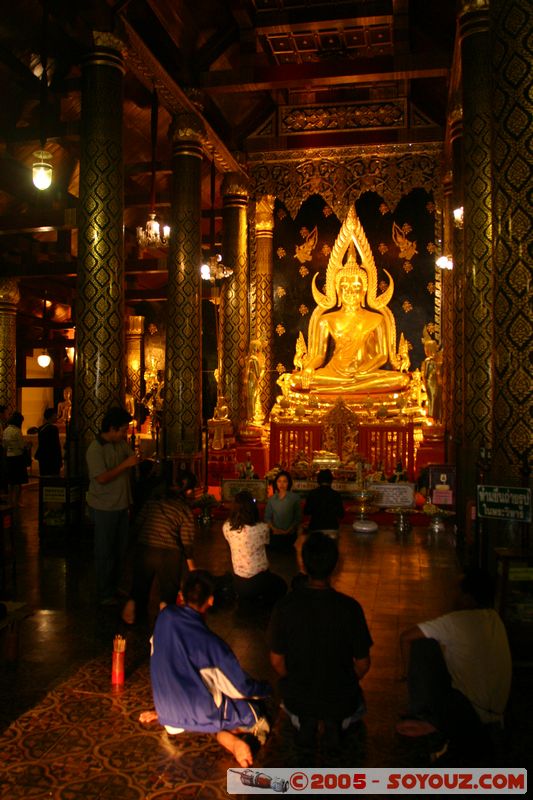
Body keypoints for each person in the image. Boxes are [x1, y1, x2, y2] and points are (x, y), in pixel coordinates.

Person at [139, 570, 271, 767]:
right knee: (256, 713)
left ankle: (210, 728)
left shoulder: (164, 617)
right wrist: (265, 690)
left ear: (181, 596)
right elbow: (239, 688)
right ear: (210, 600)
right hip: (199, 712)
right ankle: (236, 741)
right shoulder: (212, 645)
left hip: (167, 713)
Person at [269, 532, 373, 752]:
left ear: (303, 565)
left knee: (293, 700)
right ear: (335, 566)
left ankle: (304, 719)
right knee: (354, 703)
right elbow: (363, 664)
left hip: (298, 696)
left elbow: (277, 661)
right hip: (341, 697)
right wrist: (343, 680)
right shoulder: (350, 608)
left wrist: (299, 679)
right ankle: (335, 721)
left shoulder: (285, 606)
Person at [291, 206, 409, 395]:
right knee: (295, 380)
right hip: (333, 373)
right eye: (345, 286)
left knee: (400, 380)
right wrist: (309, 369)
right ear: (336, 289)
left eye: (356, 287)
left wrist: (360, 370)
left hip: (365, 375)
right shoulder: (326, 320)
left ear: (364, 290)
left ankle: (343, 390)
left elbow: (382, 355)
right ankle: (346, 389)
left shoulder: (377, 319)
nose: (350, 291)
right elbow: (319, 356)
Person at [397, 567, 512, 761]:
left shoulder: (455, 621)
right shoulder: (496, 619)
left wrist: (407, 676)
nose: (453, 596)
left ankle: (423, 714)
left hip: (466, 712)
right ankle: (437, 722)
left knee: (422, 645)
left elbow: (406, 637)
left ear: (468, 598)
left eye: (457, 591)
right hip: (497, 715)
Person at [121, 481, 196, 625]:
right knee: (168, 591)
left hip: (146, 549)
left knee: (139, 587)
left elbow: (137, 525)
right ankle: (164, 621)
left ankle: (133, 611)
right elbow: (187, 539)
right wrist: (191, 565)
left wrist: (128, 549)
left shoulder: (152, 503)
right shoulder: (183, 508)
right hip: (169, 553)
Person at [85, 406, 139, 605]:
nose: (125, 433)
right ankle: (104, 592)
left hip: (121, 504)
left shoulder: (119, 444)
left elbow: (131, 456)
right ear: (112, 428)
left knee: (120, 549)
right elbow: (101, 478)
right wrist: (125, 465)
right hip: (104, 506)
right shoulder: (95, 449)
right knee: (105, 550)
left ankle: (114, 586)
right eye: (123, 430)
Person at [223, 491, 287, 606]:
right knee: (282, 586)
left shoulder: (226, 527)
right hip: (260, 581)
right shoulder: (262, 528)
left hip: (239, 584)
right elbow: (267, 543)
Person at [264, 470, 302, 550]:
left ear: (289, 483)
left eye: (285, 481)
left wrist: (288, 530)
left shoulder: (295, 498)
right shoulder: (272, 499)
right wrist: (275, 530)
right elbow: (267, 517)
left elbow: (297, 518)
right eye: (279, 481)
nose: (281, 484)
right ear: (276, 483)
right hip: (275, 535)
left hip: (290, 535)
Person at [303, 469, 344, 538]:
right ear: (331, 480)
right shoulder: (336, 495)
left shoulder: (312, 493)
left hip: (315, 528)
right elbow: (341, 514)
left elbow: (306, 511)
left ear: (318, 480)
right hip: (332, 528)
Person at [2, 411, 29, 508]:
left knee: (10, 481)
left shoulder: (6, 430)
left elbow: (4, 445)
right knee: (18, 482)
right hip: (18, 457)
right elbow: (21, 446)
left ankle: (10, 500)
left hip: (9, 457)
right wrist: (27, 446)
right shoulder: (17, 431)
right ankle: (16, 501)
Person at [35, 408, 62, 476]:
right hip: (52, 458)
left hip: (43, 457)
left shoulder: (41, 428)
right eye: (55, 415)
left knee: (44, 476)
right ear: (52, 416)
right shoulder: (53, 429)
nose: (56, 417)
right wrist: (59, 460)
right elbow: (56, 445)